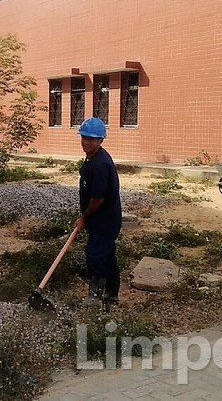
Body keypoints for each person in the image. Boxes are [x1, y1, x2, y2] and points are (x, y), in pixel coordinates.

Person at [74, 117, 122, 307]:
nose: (86, 142)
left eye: (91, 139)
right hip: (100, 218)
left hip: (104, 219)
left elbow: (97, 199)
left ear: (100, 140)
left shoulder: (101, 164)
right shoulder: (92, 158)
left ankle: (96, 296)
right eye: (84, 137)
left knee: (95, 254)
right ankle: (112, 294)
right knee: (107, 253)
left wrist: (83, 217)